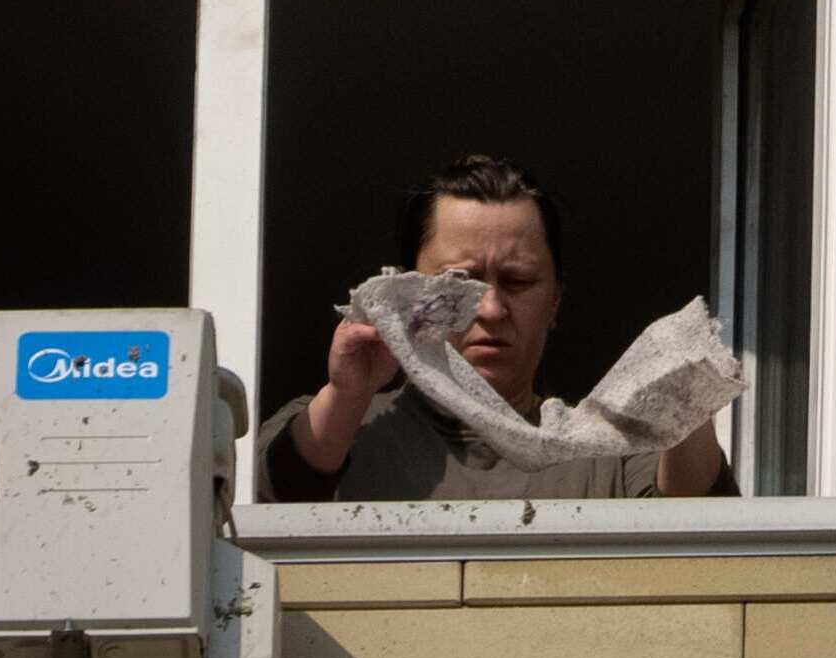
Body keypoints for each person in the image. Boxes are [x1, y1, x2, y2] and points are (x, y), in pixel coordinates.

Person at [257, 156, 733, 500]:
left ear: (555, 303)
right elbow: (273, 495)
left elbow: (704, 534)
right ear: (405, 294)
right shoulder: (346, 430)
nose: (490, 309)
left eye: (518, 281)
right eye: (459, 283)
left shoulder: (607, 453)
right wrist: (346, 394)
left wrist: (685, 397)